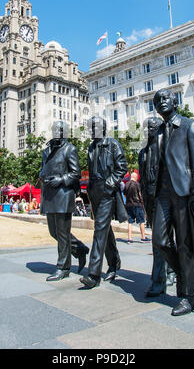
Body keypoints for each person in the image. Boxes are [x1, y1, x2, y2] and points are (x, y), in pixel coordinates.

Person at [149, 88, 194, 316]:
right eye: (157, 101)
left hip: (184, 192)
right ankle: (183, 275)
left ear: (175, 101)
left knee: (185, 244)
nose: (162, 102)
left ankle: (187, 295)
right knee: (160, 240)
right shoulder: (159, 131)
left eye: (165, 98)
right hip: (163, 193)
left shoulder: (189, 126)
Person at [80, 116, 128, 289]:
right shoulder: (91, 147)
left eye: (94, 127)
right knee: (104, 230)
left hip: (108, 192)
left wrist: (110, 182)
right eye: (90, 127)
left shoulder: (113, 144)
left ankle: (93, 274)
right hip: (95, 193)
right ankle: (114, 263)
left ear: (103, 128)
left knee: (99, 230)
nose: (91, 130)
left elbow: (122, 167)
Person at [40, 120, 89, 281]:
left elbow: (76, 173)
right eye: (54, 129)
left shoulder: (70, 149)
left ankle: (63, 267)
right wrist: (42, 174)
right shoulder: (47, 150)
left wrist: (60, 179)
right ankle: (79, 249)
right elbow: (44, 168)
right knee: (54, 232)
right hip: (49, 195)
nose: (57, 132)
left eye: (60, 130)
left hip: (63, 194)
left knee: (62, 234)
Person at [138, 117, 176, 297]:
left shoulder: (166, 148)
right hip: (150, 198)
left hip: (165, 197)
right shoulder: (142, 152)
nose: (148, 130)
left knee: (160, 240)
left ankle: (160, 279)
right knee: (161, 238)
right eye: (146, 128)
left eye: (152, 127)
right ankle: (170, 271)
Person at [124, 172, 149, 243]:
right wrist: (142, 202)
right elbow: (140, 194)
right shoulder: (137, 184)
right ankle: (143, 237)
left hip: (128, 205)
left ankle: (129, 238)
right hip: (137, 204)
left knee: (130, 222)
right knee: (141, 221)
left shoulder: (127, 184)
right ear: (135, 177)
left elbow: (125, 194)